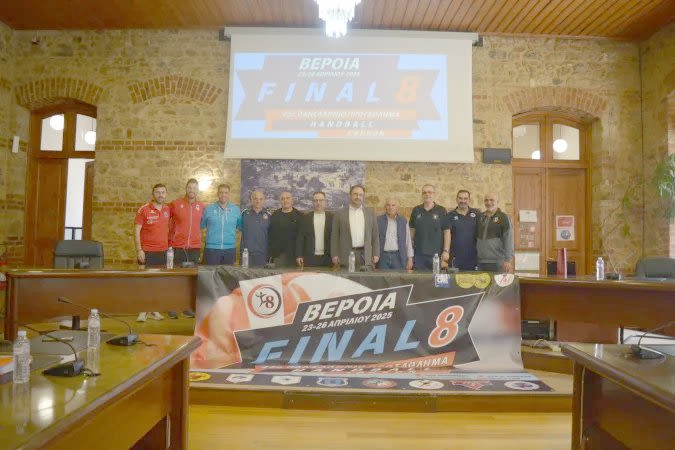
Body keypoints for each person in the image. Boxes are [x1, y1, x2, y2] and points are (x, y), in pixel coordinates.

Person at [133, 183, 170, 321]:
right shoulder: (144, 209)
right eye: (158, 192)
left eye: (163, 192)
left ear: (166, 194)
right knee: (145, 282)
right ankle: (143, 311)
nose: (161, 195)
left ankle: (154, 311)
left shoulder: (167, 209)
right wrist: (139, 249)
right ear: (153, 194)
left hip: (163, 252)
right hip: (147, 251)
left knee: (158, 283)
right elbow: (136, 230)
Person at [331, 185, 379, 270]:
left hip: (365, 255)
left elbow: (375, 236)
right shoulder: (339, 214)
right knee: (346, 278)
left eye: (360, 195)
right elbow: (335, 236)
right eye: (355, 194)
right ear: (350, 195)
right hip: (346, 255)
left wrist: (376, 253)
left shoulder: (370, 213)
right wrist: (334, 254)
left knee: (365, 278)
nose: (358, 197)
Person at [409, 184, 450, 271]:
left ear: (434, 194)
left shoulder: (441, 210)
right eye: (424, 192)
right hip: (419, 255)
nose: (427, 194)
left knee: (435, 279)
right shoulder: (416, 210)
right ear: (422, 195)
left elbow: (447, 232)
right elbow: (411, 231)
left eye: (429, 192)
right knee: (418, 278)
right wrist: (410, 252)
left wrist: (446, 250)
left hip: (436, 255)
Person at [201, 183, 241, 265]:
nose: (223, 195)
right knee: (211, 273)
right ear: (217, 194)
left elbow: (239, 226)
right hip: (211, 249)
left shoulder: (236, 210)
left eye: (226, 192)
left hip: (230, 250)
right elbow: (201, 225)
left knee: (228, 273)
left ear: (229, 194)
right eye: (221, 192)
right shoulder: (208, 209)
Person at [169, 178, 204, 266]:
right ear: (186, 188)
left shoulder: (201, 206)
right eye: (189, 187)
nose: (191, 190)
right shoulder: (175, 204)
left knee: (193, 274)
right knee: (178, 273)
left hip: (195, 248)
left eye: (194, 188)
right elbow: (164, 220)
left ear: (197, 190)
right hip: (178, 247)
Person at [477, 192, 514, 273]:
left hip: (498, 262)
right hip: (480, 262)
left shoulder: (503, 217)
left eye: (492, 200)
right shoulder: (480, 217)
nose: (488, 202)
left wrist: (507, 260)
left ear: (497, 201)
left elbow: (508, 238)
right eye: (486, 200)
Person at [296, 191, 333, 268]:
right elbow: (300, 238)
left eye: (321, 200)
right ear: (312, 202)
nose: (318, 203)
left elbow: (336, 238)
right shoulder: (305, 218)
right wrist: (299, 255)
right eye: (316, 200)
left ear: (325, 202)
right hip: (310, 258)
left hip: (328, 258)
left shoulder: (332, 218)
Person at [447, 190, 481, 271]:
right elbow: (446, 236)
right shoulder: (450, 216)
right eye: (460, 198)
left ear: (469, 200)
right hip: (455, 258)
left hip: (473, 258)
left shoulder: (477, 214)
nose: (463, 201)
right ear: (456, 199)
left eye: (465, 198)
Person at [377, 197, 413, 270]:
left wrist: (410, 258)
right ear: (385, 207)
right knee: (382, 277)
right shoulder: (378, 220)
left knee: (399, 277)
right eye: (388, 205)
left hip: (398, 257)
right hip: (383, 257)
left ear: (397, 207)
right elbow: (374, 239)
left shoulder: (403, 221)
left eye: (393, 205)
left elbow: (408, 241)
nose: (391, 207)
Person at [268, 191, 302, 267]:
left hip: (294, 256)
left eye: (287, 198)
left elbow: (301, 237)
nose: (285, 200)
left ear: (292, 200)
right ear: (280, 201)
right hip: (277, 256)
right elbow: (271, 235)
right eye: (283, 199)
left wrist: (299, 255)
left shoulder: (299, 216)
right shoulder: (275, 215)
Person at [239, 190, 271, 267]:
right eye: (255, 198)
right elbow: (239, 229)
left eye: (260, 199)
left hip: (263, 254)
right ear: (251, 199)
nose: (258, 201)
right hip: (246, 254)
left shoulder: (269, 216)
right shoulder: (244, 214)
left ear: (263, 200)